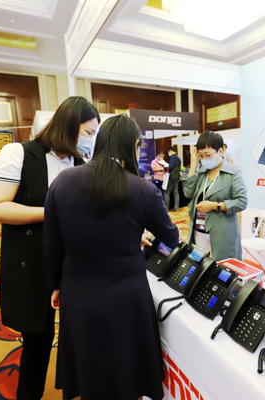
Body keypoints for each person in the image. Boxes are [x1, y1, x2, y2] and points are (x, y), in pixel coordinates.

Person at [44, 114, 179, 400]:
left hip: (77, 289)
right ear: (135, 145)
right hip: (128, 294)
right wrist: (135, 232)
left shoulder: (63, 181)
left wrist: (55, 285)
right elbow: (171, 238)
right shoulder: (143, 189)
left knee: (87, 360)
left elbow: (52, 244)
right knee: (128, 363)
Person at [0, 96, 99, 400]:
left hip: (74, 266)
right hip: (32, 263)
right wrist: (52, 212)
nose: (91, 139)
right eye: (88, 132)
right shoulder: (19, 153)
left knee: (80, 338)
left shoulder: (80, 163)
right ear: (69, 125)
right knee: (38, 340)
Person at [183, 131, 248, 261]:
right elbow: (188, 193)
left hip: (222, 231)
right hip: (199, 229)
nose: (205, 159)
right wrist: (193, 165)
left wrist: (215, 206)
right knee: (200, 265)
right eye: (201, 155)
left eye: (208, 155)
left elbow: (241, 202)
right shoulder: (202, 172)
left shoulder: (232, 172)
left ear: (220, 151)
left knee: (221, 267)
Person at [164, 146, 181, 211]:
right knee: (176, 192)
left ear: (170, 150)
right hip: (177, 177)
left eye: (168, 151)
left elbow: (170, 167)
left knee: (166, 192)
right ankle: (176, 207)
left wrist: (165, 168)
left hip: (171, 178)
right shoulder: (178, 158)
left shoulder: (172, 158)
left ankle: (166, 208)